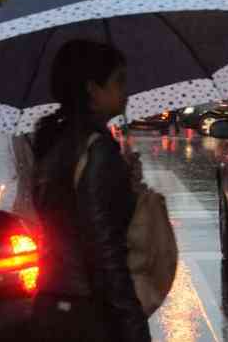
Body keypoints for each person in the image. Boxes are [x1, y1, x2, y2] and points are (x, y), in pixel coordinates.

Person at [30, 39, 151, 342]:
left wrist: (125, 184)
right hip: (88, 311)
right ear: (91, 90)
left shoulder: (54, 141)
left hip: (53, 302)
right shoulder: (95, 151)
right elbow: (104, 248)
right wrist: (131, 323)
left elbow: (69, 216)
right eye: (118, 81)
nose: (126, 92)